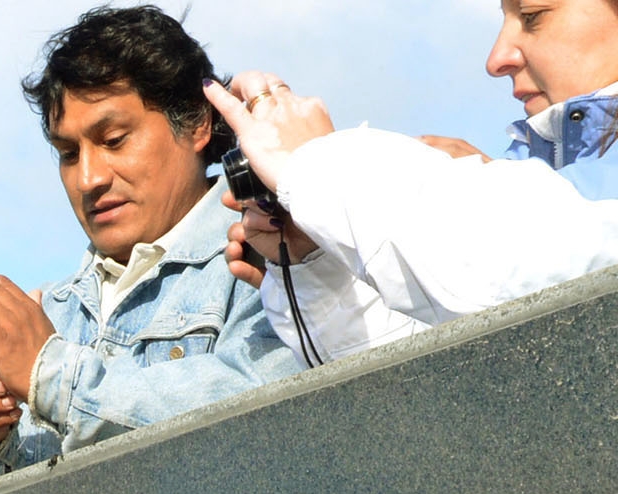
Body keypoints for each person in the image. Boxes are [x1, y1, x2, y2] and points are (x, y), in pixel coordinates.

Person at [0, 7, 297, 494]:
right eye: (69, 154)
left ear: (198, 123)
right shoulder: (49, 311)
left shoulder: (274, 253)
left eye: (114, 140)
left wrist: (49, 373)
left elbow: (270, 416)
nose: (89, 178)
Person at [207, 0, 618, 366]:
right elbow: (435, 378)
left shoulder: (546, 209)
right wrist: (315, 258)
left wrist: (317, 164)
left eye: (531, 16)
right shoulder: (540, 175)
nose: (497, 58)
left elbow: (505, 264)